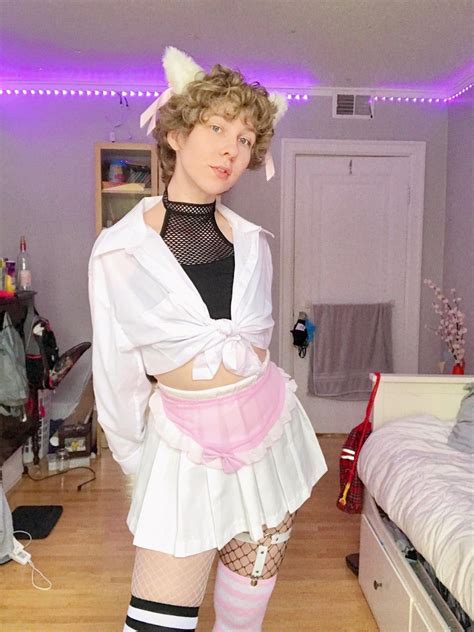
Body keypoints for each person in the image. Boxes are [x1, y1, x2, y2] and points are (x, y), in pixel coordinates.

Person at [88, 47, 327, 632]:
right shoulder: (119, 251)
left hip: (267, 441)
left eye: (245, 139)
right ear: (175, 133)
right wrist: (137, 464)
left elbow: (256, 342)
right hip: (182, 451)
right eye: (217, 128)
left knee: (243, 622)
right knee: (156, 625)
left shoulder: (254, 243)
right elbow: (117, 373)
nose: (231, 150)